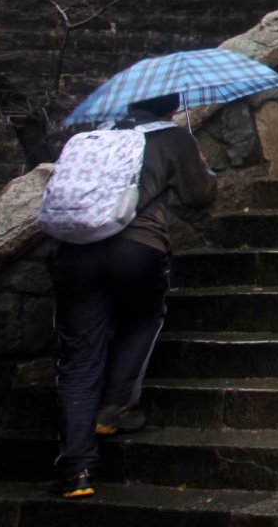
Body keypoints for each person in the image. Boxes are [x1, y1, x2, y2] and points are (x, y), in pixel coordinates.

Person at [51, 92, 217, 499]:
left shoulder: (98, 135)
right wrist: (199, 165)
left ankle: (75, 473)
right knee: (142, 320)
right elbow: (199, 196)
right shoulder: (173, 137)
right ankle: (115, 406)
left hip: (73, 253)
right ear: (171, 106)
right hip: (136, 248)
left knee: (79, 360)